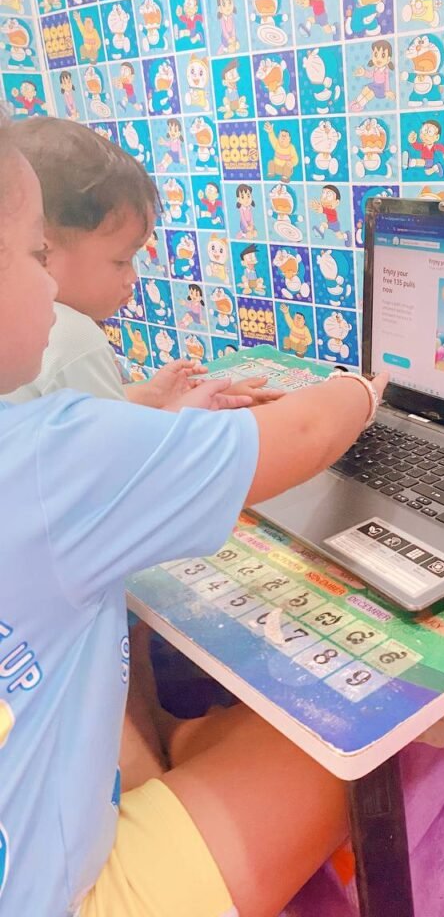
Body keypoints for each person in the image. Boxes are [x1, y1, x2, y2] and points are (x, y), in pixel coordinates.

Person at [0, 110, 389, 916]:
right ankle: (194, 752)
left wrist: (147, 418)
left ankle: (184, 751)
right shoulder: (49, 451)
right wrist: (370, 388)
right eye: (36, 254)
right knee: (365, 751)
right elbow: (308, 430)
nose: (48, 283)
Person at [1, 119, 267, 411]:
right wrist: (184, 414)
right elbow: (118, 452)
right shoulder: (75, 339)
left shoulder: (24, 331)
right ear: (45, 251)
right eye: (120, 261)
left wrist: (153, 395)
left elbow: (65, 420)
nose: (132, 278)